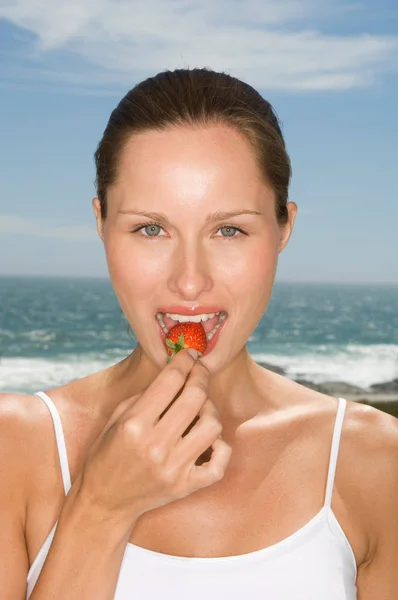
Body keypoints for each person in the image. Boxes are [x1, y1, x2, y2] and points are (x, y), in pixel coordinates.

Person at [1, 67, 397, 600]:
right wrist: (100, 507)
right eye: (150, 228)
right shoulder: (14, 448)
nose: (190, 280)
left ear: (284, 227)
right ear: (101, 223)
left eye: (229, 229)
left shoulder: (376, 464)